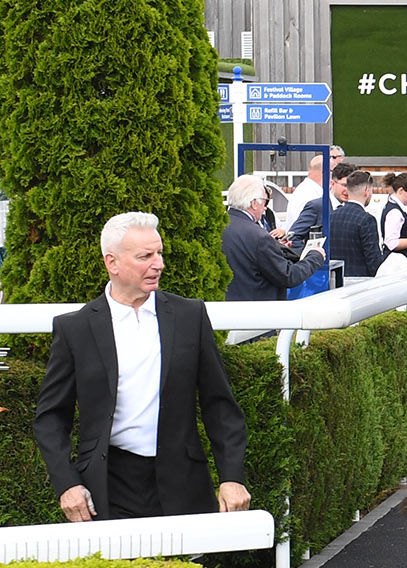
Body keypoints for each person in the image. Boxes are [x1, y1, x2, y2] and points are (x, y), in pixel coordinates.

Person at [34, 212, 250, 522]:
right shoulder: (75, 329)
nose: (158, 264)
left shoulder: (189, 316)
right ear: (112, 263)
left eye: (159, 253)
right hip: (108, 486)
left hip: (183, 481)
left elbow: (220, 405)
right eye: (145, 256)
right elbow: (51, 416)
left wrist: (231, 477)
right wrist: (67, 484)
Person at [221, 174, 325, 302]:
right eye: (265, 201)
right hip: (258, 308)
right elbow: (288, 276)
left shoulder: (219, 226)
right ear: (254, 203)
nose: (265, 208)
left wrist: (277, 248)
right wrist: (315, 256)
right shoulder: (259, 237)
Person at [327, 169, 384, 278]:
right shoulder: (367, 220)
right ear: (367, 191)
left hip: (335, 280)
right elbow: (374, 261)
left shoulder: (331, 216)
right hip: (361, 282)